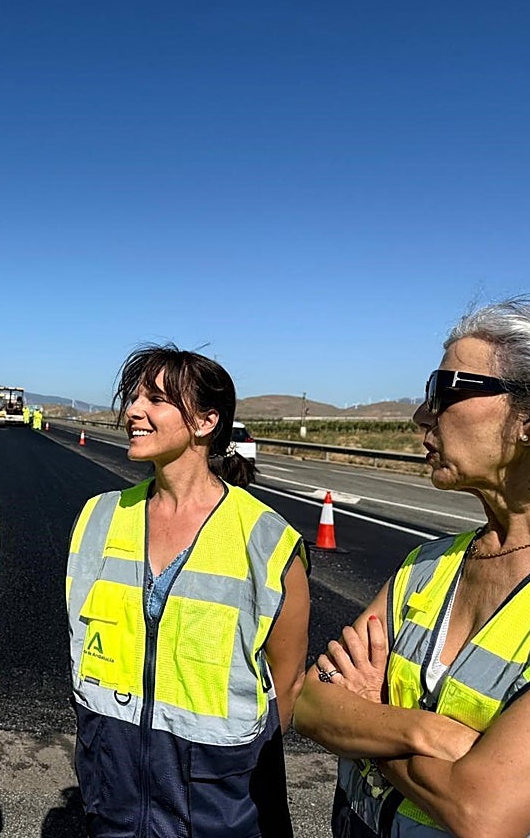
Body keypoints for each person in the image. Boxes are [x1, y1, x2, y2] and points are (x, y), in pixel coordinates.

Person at [294, 296, 530, 838]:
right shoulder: (428, 563)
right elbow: (309, 701)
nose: (422, 414)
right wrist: (431, 733)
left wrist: (371, 715)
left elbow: (483, 812)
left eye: (444, 392)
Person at [66, 344, 310, 837]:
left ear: (205, 422)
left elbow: (286, 686)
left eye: (155, 400)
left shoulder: (265, 539)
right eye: (134, 397)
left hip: (217, 805)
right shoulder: (98, 518)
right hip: (111, 796)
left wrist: (227, 770)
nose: (134, 411)